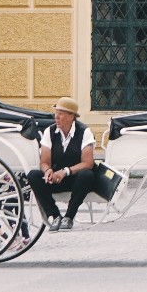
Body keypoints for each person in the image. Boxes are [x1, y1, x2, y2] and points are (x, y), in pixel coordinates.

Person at [27, 98, 102, 232]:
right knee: (33, 175)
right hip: (56, 178)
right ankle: (55, 215)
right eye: (56, 112)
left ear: (71, 116)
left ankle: (69, 216)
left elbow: (88, 163)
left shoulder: (84, 132)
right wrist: (48, 171)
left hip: (77, 180)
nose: (56, 116)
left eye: (61, 113)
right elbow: (44, 162)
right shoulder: (49, 132)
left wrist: (65, 171)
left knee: (87, 174)